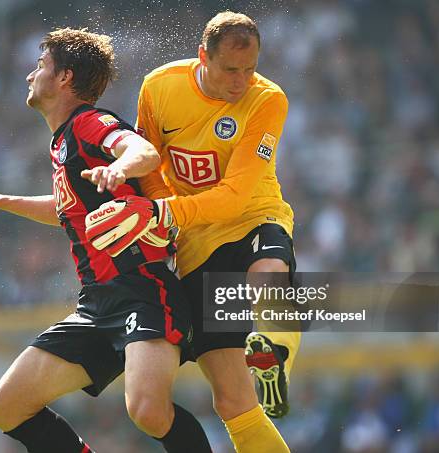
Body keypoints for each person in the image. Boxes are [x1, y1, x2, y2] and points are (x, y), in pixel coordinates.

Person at [0, 28, 211, 453]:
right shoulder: (62, 141)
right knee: (4, 408)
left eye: (40, 66)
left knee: (147, 410)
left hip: (143, 290)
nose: (31, 75)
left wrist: (120, 169)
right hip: (95, 304)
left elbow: (142, 152)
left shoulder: (87, 123)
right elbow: (68, 209)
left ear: (64, 77)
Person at [86, 11, 296, 452]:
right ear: (203, 56)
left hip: (255, 214)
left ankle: (274, 354)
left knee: (268, 269)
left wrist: (162, 213)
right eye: (230, 70)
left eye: (250, 69)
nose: (241, 81)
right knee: (233, 401)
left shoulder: (268, 100)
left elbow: (237, 194)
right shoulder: (160, 87)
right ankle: (266, 365)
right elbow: (150, 167)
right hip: (194, 238)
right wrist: (165, 217)